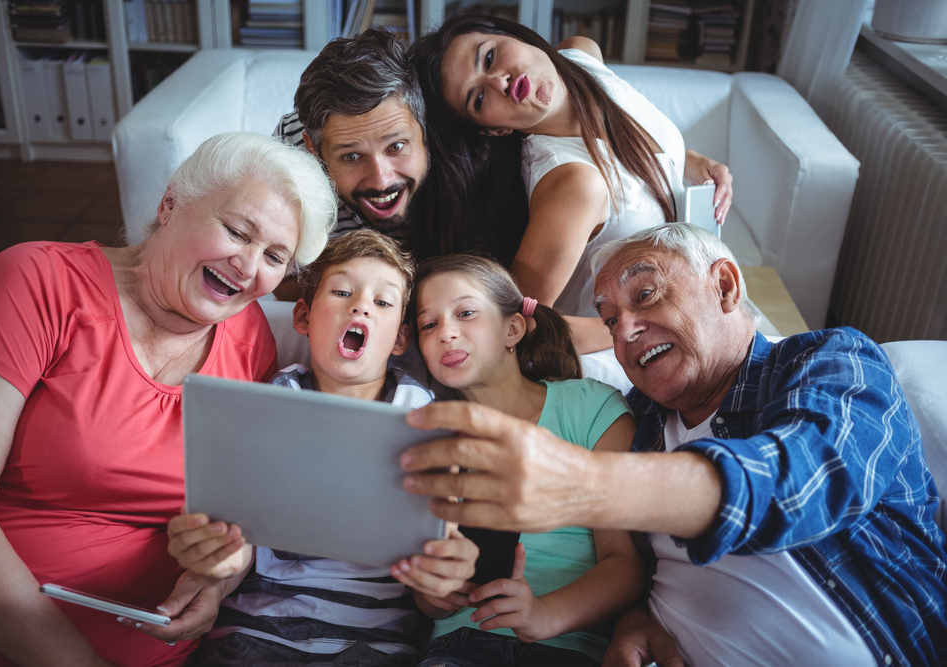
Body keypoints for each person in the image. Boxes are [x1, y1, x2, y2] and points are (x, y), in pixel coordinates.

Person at [397, 224, 947, 666]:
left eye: (646, 294)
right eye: (610, 318)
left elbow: (805, 478)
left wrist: (587, 484)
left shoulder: (827, 363)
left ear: (725, 286)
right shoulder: (639, 424)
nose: (625, 330)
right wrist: (639, 620)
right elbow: (618, 565)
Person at [0, 132, 338, 666]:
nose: (248, 267)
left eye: (274, 256)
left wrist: (217, 582)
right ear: (170, 203)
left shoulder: (249, 342)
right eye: (236, 231)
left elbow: (238, 516)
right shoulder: (34, 283)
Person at [165, 230, 479, 667]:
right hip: (255, 631)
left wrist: (442, 584)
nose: (361, 305)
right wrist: (214, 565)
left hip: (373, 644)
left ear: (400, 340)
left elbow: (433, 582)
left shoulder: (425, 418)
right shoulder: (272, 399)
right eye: (342, 291)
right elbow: (242, 539)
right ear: (303, 317)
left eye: (383, 303)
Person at [410, 14, 733, 354]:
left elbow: (627, 140)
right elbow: (520, 324)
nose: (499, 82)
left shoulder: (581, 55)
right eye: (478, 98)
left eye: (489, 57)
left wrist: (693, 163)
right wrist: (650, 324)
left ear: (517, 37)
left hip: (691, 305)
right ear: (495, 130)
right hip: (627, 354)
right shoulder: (575, 183)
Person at [400, 254, 642, 666]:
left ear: (513, 328)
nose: (446, 334)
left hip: (566, 646)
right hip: (458, 645)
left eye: (466, 312)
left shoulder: (590, 407)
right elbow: (427, 598)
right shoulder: (428, 435)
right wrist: (436, 594)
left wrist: (543, 614)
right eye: (429, 324)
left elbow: (625, 565)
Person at [273, 27, 530, 303]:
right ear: (313, 150)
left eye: (395, 147)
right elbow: (282, 279)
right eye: (351, 156)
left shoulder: (476, 157)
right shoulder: (292, 152)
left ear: (426, 128)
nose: (381, 181)